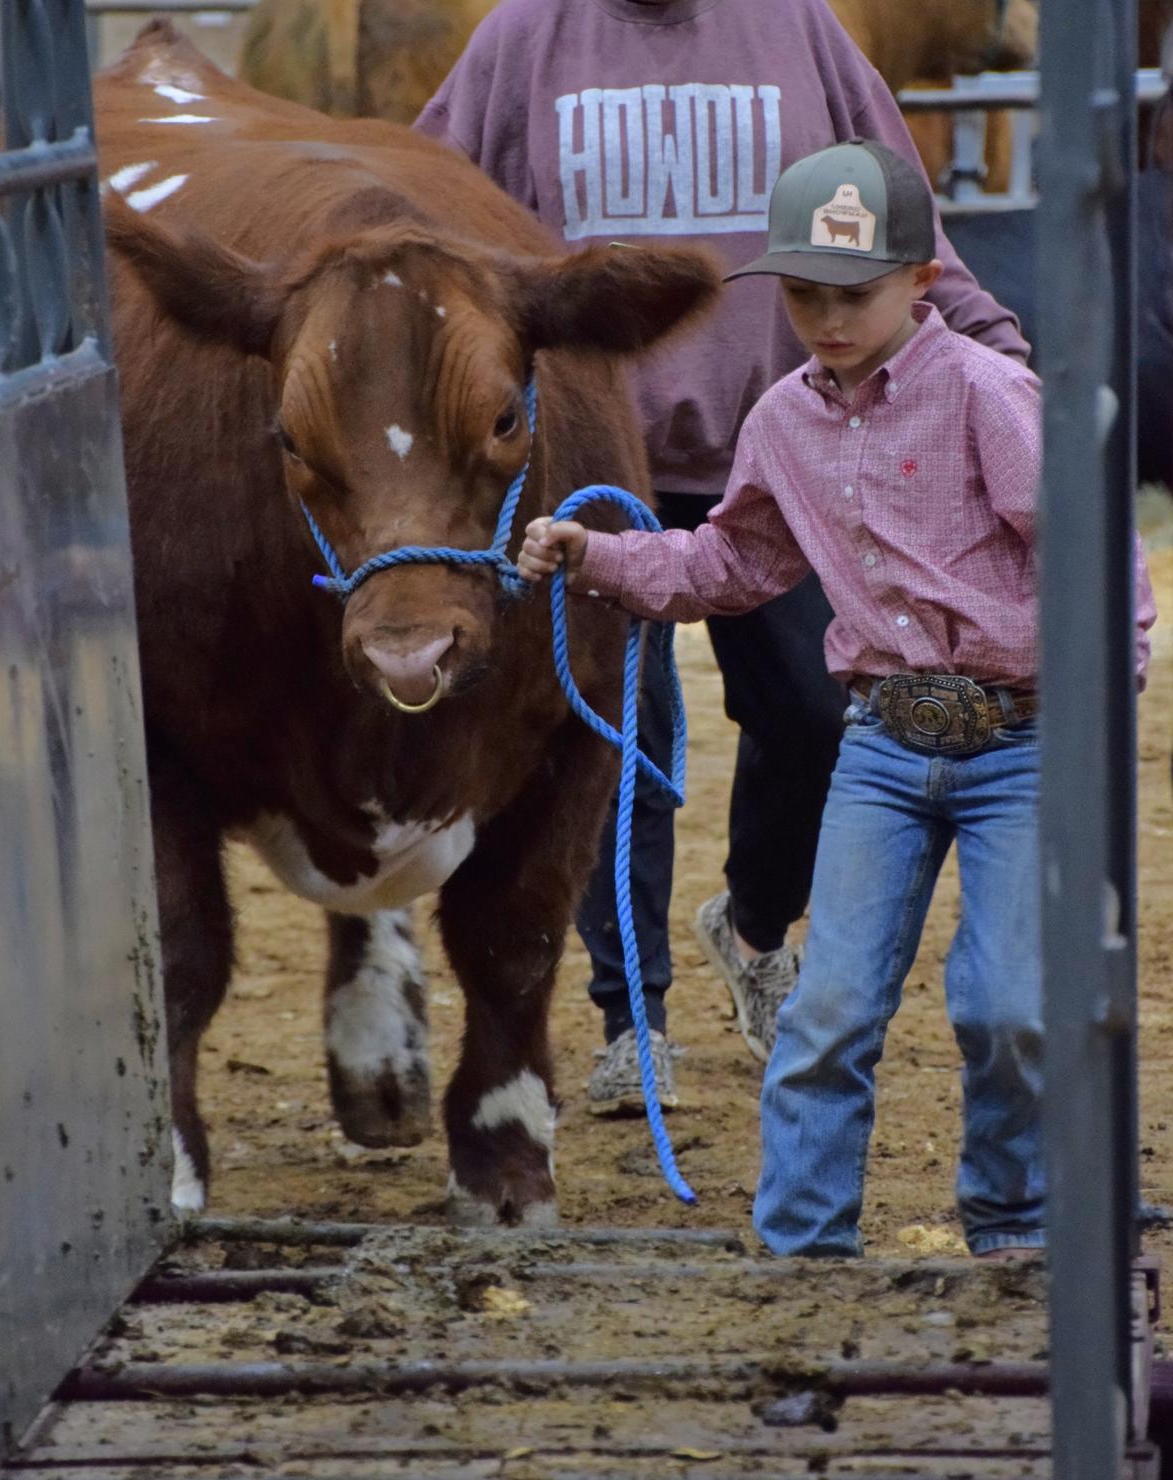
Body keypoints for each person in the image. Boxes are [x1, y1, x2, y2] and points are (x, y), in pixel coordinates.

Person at [517, 138, 1156, 1257]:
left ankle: (1013, 1224)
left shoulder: (989, 396)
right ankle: (803, 1248)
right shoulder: (784, 423)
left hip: (1026, 742)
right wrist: (596, 557)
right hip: (882, 746)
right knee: (828, 1014)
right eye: (804, 291)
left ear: (920, 279)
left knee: (1007, 1010)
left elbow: (1091, 549)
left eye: (851, 291)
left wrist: (1111, 686)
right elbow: (728, 565)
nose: (825, 315)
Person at [415, 0, 1029, 1118]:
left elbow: (895, 202)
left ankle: (752, 925)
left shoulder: (794, 22)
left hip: (789, 439)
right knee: (619, 747)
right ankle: (628, 1020)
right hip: (590, 460)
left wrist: (988, 339)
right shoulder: (523, 39)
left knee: (808, 713)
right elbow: (430, 212)